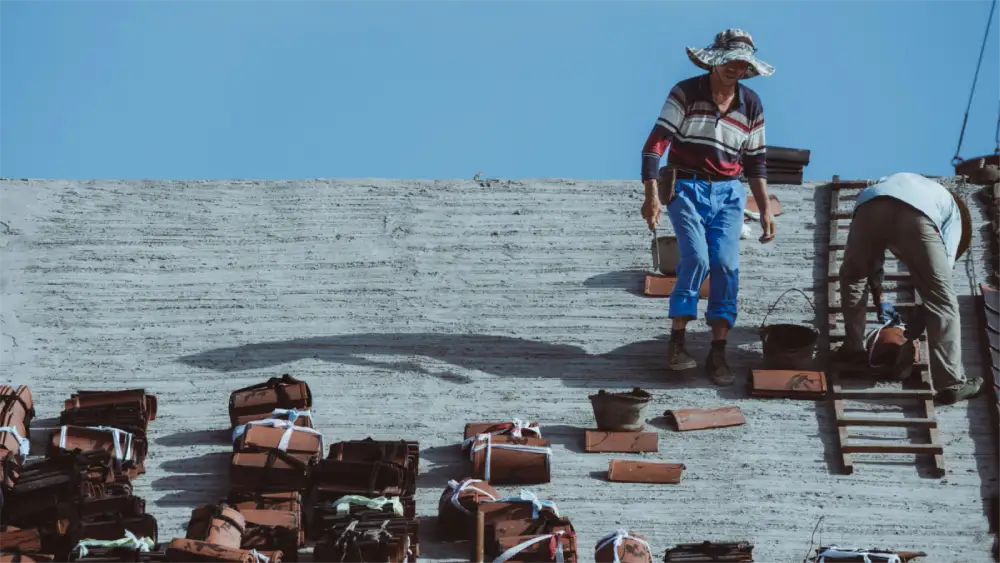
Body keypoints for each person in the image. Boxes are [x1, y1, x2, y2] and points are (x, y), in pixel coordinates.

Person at [640, 29, 777, 386]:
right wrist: (651, 194)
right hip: (685, 186)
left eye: (742, 63)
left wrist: (764, 209)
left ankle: (718, 351)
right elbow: (655, 144)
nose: (735, 67)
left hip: (729, 193)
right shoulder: (686, 92)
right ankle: (677, 342)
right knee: (697, 258)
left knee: (726, 264)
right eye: (730, 60)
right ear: (715, 59)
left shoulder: (751, 104)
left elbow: (756, 162)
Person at [834, 172, 980, 405]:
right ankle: (951, 384)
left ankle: (853, 350)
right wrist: (911, 335)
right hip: (916, 214)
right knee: (943, 300)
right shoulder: (953, 220)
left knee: (853, 277)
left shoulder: (908, 183)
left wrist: (880, 299)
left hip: (869, 203)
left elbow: (872, 266)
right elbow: (936, 292)